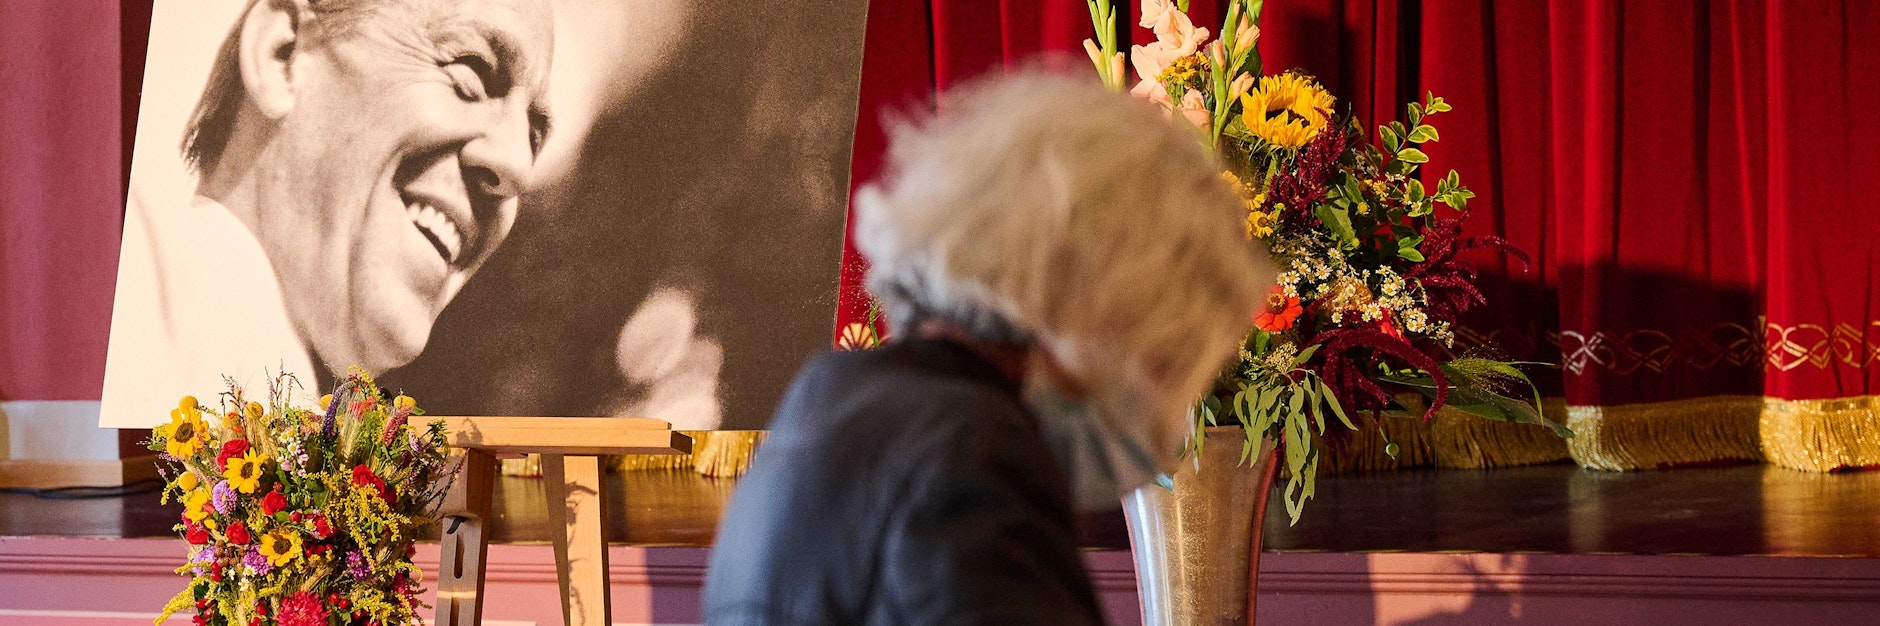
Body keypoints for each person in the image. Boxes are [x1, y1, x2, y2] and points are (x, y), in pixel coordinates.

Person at [702, 71, 1276, 624]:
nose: (1165, 435)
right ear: (1085, 301)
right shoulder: (967, 456)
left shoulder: (828, 403)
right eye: (1163, 365)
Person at [101, 0, 553, 424]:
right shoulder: (109, 293)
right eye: (470, 75)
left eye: (533, 140)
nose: (517, 167)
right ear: (281, 57)